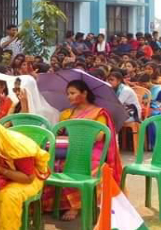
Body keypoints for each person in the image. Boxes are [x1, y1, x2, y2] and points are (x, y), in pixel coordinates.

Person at [43, 80, 122, 221]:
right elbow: (60, 133)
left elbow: (99, 136)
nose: (69, 96)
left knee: (83, 166)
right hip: (69, 149)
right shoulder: (66, 113)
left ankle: (75, 206)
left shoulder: (99, 113)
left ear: (84, 93)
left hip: (91, 150)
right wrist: (63, 131)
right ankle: (53, 204)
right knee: (49, 164)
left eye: (72, 93)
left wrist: (79, 132)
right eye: (68, 94)